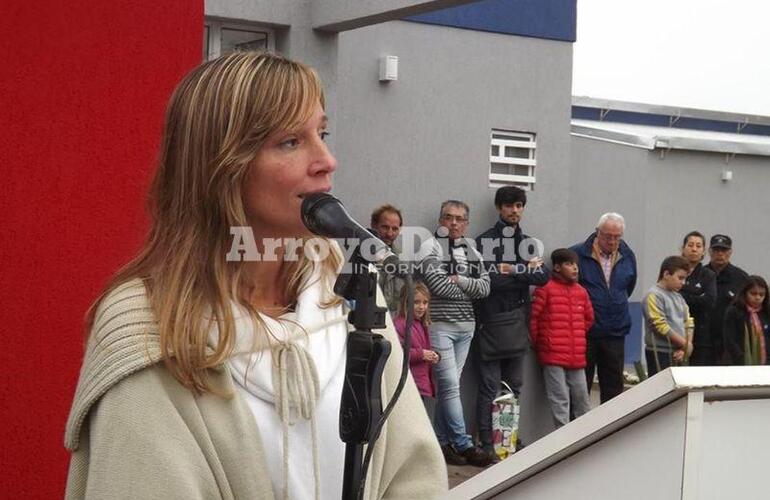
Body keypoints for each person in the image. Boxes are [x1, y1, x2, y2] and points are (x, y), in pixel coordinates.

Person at [63, 52, 446, 500]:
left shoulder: (345, 297)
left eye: (322, 133)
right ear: (222, 167)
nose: (327, 160)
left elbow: (413, 474)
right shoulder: (150, 327)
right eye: (290, 141)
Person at [473, 186, 548, 456]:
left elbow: (542, 277)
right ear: (499, 208)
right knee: (489, 387)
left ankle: (507, 440)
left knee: (514, 387)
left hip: (518, 324)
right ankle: (487, 443)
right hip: (491, 322)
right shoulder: (483, 242)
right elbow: (490, 281)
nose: (514, 210)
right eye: (508, 206)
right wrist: (524, 270)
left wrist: (513, 269)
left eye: (518, 205)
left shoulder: (528, 242)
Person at [419, 200, 491, 467]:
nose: (453, 223)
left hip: (466, 328)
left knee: (449, 387)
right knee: (449, 385)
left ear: (466, 223)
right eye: (448, 217)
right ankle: (464, 443)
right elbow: (437, 285)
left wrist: (460, 280)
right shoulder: (431, 246)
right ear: (441, 220)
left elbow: (485, 288)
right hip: (440, 326)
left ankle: (441, 442)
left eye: (459, 219)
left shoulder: (471, 249)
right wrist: (469, 288)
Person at [571, 213, 637, 403]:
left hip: (615, 331)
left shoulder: (627, 255)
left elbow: (629, 286)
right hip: (587, 332)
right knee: (581, 387)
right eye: (607, 236)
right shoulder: (578, 254)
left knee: (613, 390)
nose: (612, 241)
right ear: (597, 232)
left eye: (617, 237)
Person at [529, 248, 593, 428]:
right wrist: (541, 342)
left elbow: (588, 318)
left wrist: (576, 337)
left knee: (582, 398)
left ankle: (585, 438)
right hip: (552, 355)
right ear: (557, 267)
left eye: (575, 264)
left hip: (576, 355)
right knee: (560, 399)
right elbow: (534, 318)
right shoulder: (545, 289)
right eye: (569, 264)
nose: (575, 268)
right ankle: (562, 442)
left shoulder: (581, 291)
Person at [642, 256, 694, 376]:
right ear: (666, 274)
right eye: (680, 278)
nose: (683, 283)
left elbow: (689, 323)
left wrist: (684, 348)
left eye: (685, 279)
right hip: (660, 352)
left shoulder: (679, 297)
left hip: (679, 351)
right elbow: (659, 325)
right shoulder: (653, 295)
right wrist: (686, 345)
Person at [393, 283, 439, 413]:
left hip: (421, 384)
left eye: (425, 302)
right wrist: (422, 354)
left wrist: (434, 355)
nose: (422, 307)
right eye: (416, 302)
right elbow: (398, 353)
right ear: (405, 303)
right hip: (410, 386)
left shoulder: (421, 324)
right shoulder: (399, 324)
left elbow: (422, 348)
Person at [706, 234, 749, 364]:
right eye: (716, 250)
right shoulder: (701, 274)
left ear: (730, 252)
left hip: (731, 342)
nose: (720, 254)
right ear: (709, 251)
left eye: (723, 250)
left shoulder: (741, 278)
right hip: (704, 340)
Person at [678, 231, 717, 366]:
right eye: (690, 245)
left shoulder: (708, 275)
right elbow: (670, 296)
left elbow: (709, 302)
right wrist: (697, 295)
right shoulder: (673, 271)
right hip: (676, 333)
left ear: (704, 251)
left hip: (701, 337)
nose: (694, 249)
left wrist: (683, 296)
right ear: (682, 248)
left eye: (698, 246)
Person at [723, 275, 770, 365]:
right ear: (745, 293)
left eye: (761, 295)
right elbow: (730, 339)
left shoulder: (767, 312)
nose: (757, 298)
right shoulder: (734, 311)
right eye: (753, 293)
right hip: (740, 362)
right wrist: (742, 358)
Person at [370, 204, 404, 314]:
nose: (389, 233)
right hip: (366, 321)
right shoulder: (361, 257)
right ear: (373, 226)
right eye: (385, 227)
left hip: (393, 324)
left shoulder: (402, 260)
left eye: (395, 229)